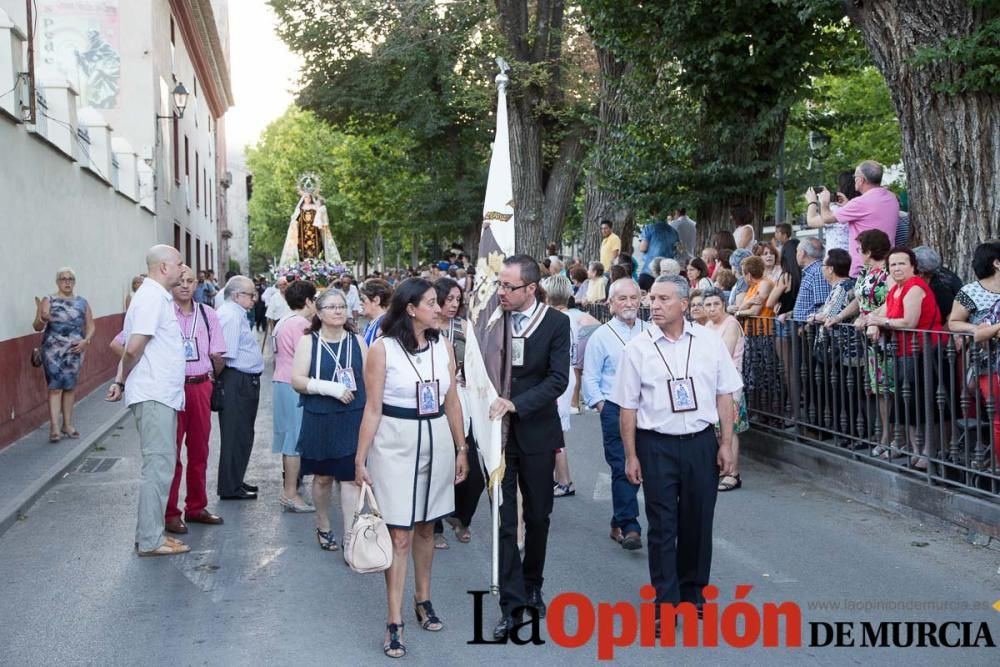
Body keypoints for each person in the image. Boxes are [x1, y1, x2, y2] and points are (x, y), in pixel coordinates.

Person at [612, 274, 742, 631]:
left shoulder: (708, 342)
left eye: (663, 299)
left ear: (684, 304)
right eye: (651, 298)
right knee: (662, 525)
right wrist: (631, 455)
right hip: (656, 444)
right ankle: (665, 602)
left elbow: (725, 394)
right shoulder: (637, 348)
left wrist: (726, 443)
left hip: (701, 441)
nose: (653, 305)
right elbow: (627, 407)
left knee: (698, 522)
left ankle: (693, 593)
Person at [354, 278, 468, 658]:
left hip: (435, 439)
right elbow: (372, 408)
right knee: (399, 534)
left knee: (426, 527)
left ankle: (423, 599)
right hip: (393, 443)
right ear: (411, 308)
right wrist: (360, 458)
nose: (441, 308)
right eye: (433, 303)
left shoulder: (444, 346)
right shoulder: (381, 350)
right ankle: (393, 619)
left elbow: (452, 400)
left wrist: (461, 447)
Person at [488, 255, 570, 640]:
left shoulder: (556, 323)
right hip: (498, 437)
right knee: (504, 520)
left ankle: (533, 582)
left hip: (537, 431)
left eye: (508, 287)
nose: (501, 292)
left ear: (530, 289)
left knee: (538, 516)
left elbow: (557, 380)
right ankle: (511, 601)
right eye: (499, 285)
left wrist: (517, 403)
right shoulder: (491, 320)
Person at [111, 266, 227, 534]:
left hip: (199, 387)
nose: (185, 286)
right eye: (180, 281)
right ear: (171, 283)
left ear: (197, 284)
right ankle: (170, 512)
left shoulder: (208, 314)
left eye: (190, 281)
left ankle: (196, 506)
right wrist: (145, 363)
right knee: (169, 453)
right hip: (170, 387)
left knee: (199, 450)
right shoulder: (162, 311)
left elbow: (218, 354)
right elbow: (120, 343)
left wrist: (209, 375)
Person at [105, 245, 189, 557]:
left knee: (161, 465)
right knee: (158, 465)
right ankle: (151, 539)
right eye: (179, 264)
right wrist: (122, 378)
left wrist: (120, 379)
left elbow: (130, 345)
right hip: (154, 394)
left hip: (160, 393)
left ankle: (152, 534)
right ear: (164, 267)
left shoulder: (153, 296)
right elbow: (133, 348)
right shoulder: (152, 297)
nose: (183, 270)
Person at [291, 289, 365, 551]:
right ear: (319, 313)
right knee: (322, 478)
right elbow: (297, 381)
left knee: (349, 478)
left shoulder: (357, 340)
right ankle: (323, 525)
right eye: (331, 307)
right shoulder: (309, 341)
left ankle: (349, 537)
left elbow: (369, 376)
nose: (338, 311)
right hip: (320, 417)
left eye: (342, 306)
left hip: (352, 417)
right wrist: (330, 388)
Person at [581, 278, 648, 550]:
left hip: (648, 409)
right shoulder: (601, 336)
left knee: (648, 466)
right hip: (616, 409)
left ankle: (618, 518)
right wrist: (602, 407)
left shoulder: (649, 330)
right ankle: (629, 525)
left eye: (633, 298)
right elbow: (591, 377)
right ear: (611, 304)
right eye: (622, 299)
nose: (629, 303)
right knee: (622, 465)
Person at [864, 248, 944, 468]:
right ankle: (916, 451)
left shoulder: (915, 287)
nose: (897, 268)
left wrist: (881, 322)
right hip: (904, 352)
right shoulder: (896, 290)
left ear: (912, 266)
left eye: (901, 264)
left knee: (923, 402)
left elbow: (909, 321)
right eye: (893, 265)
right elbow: (882, 311)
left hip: (925, 351)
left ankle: (928, 453)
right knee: (907, 403)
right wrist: (872, 320)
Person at [429, 277, 487, 547]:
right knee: (438, 465)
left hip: (464, 401)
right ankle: (435, 525)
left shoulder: (465, 328)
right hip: (433, 401)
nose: (453, 304)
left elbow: (480, 366)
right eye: (448, 298)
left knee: (474, 471)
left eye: (457, 299)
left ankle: (462, 517)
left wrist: (470, 377)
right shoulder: (424, 327)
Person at [824, 230, 893, 450]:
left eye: (859, 248)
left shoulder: (889, 272)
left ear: (869, 250)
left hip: (886, 335)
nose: (857, 253)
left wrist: (872, 317)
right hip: (867, 337)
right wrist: (840, 316)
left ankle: (890, 438)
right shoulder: (865, 272)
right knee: (875, 387)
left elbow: (893, 300)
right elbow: (859, 300)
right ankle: (881, 433)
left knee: (887, 388)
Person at [216, 276, 265, 500]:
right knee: (235, 434)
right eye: (250, 294)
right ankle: (229, 486)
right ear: (237, 295)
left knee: (243, 433)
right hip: (237, 380)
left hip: (243, 379)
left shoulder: (236, 314)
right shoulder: (230, 316)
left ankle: (236, 480)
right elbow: (222, 355)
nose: (254, 299)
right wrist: (218, 381)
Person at [806, 160, 899, 276]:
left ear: (861, 180)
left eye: (855, 176)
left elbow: (827, 218)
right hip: (886, 266)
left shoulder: (860, 203)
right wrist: (847, 205)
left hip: (864, 270)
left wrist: (823, 202)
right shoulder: (891, 198)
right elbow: (870, 215)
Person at [33, 267, 94, 442]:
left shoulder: (82, 302)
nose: (67, 282)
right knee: (55, 387)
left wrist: (85, 341)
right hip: (53, 350)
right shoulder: (49, 300)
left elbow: (91, 325)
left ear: (74, 282)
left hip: (75, 350)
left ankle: (67, 424)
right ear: (57, 281)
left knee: (69, 387)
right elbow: (37, 326)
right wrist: (42, 318)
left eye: (70, 279)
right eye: (63, 278)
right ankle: (54, 427)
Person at [272, 280, 318, 513]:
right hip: (293, 384)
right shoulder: (300, 324)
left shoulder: (283, 320)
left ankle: (290, 489)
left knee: (289, 439)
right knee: (294, 441)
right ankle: (290, 492)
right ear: (308, 300)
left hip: (281, 381)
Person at [541, 275, 584, 498]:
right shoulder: (571, 318)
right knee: (557, 429)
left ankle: (565, 480)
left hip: (558, 376)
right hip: (567, 374)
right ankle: (561, 478)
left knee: (554, 430)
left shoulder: (556, 319)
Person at [703, 287, 748, 491]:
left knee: (730, 428)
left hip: (729, 385)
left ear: (723, 305)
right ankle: (722, 468)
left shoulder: (731, 325)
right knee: (717, 429)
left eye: (716, 304)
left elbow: (726, 355)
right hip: (711, 383)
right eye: (708, 305)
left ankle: (733, 473)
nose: (712, 309)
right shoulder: (709, 325)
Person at [793, 238, 833, 322]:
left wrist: (808, 325)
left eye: (797, 251)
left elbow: (823, 305)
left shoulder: (817, 271)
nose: (796, 254)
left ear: (802, 253)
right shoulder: (812, 270)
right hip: (805, 329)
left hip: (811, 330)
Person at [360, 278, 393, 347]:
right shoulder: (376, 322)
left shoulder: (384, 325)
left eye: (363, 299)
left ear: (376, 300)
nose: (360, 303)